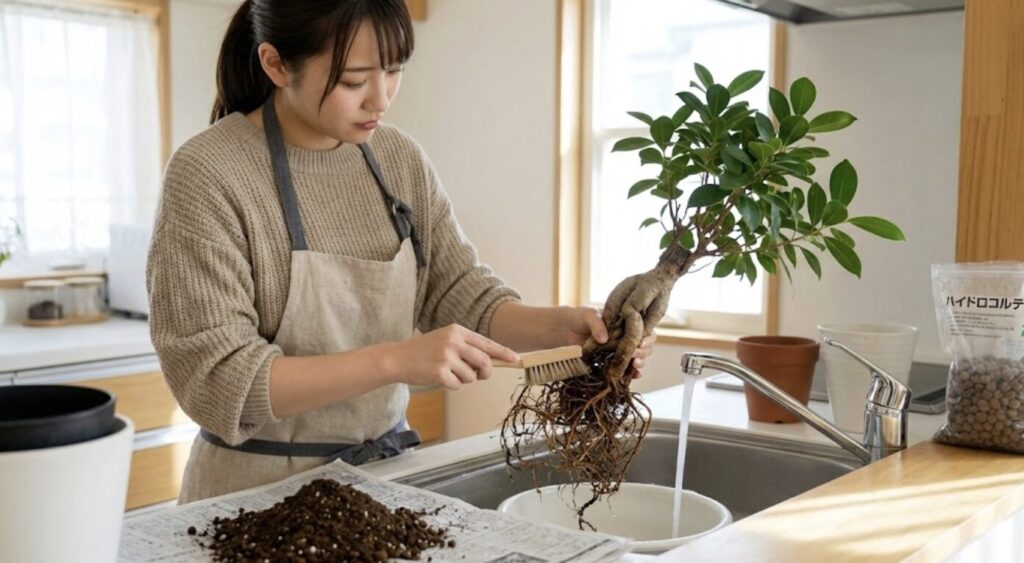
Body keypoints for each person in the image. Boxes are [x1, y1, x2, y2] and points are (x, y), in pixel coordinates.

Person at [147, 0, 655, 504]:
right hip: (251, 498)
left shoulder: (398, 159)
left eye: (394, 71)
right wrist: (395, 361)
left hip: (384, 486)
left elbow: (462, 294)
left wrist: (562, 328)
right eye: (353, 81)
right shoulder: (209, 173)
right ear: (276, 64)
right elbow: (219, 381)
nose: (381, 99)